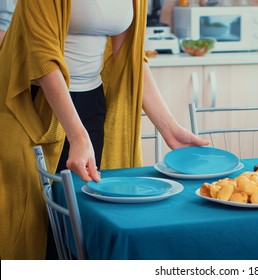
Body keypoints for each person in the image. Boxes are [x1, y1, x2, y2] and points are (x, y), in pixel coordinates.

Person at [0, 0, 208, 260]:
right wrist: (77, 134)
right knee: (34, 224)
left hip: (91, 103)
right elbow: (42, 58)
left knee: (78, 221)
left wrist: (169, 127)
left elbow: (129, 57)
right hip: (35, 106)